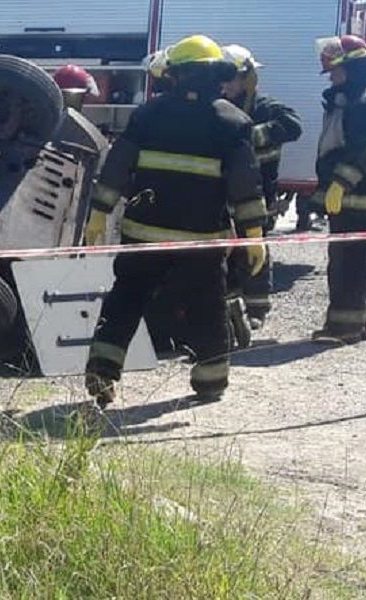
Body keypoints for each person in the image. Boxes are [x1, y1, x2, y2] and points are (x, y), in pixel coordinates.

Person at [82, 34, 267, 405]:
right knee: (207, 307)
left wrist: (98, 214)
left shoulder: (147, 115)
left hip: (142, 233)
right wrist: (253, 233)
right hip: (201, 239)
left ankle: (102, 371)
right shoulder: (233, 122)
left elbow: (117, 167)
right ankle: (210, 381)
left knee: (125, 300)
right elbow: (244, 185)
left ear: (175, 74)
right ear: (218, 75)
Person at [310, 34, 366, 344]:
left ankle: (345, 327)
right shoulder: (358, 97)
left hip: (356, 196)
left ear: (353, 68)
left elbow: (364, 149)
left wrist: (340, 184)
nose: (332, 76)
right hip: (353, 195)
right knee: (355, 260)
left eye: (336, 70)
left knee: (349, 263)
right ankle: (357, 323)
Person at [221, 45, 302, 327]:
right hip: (224, 195)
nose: (225, 85)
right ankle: (230, 310)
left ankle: (256, 311)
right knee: (227, 256)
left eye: (230, 78)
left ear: (247, 78)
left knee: (255, 254)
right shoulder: (220, 107)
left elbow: (293, 126)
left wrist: (250, 135)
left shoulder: (266, 107)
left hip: (257, 195)